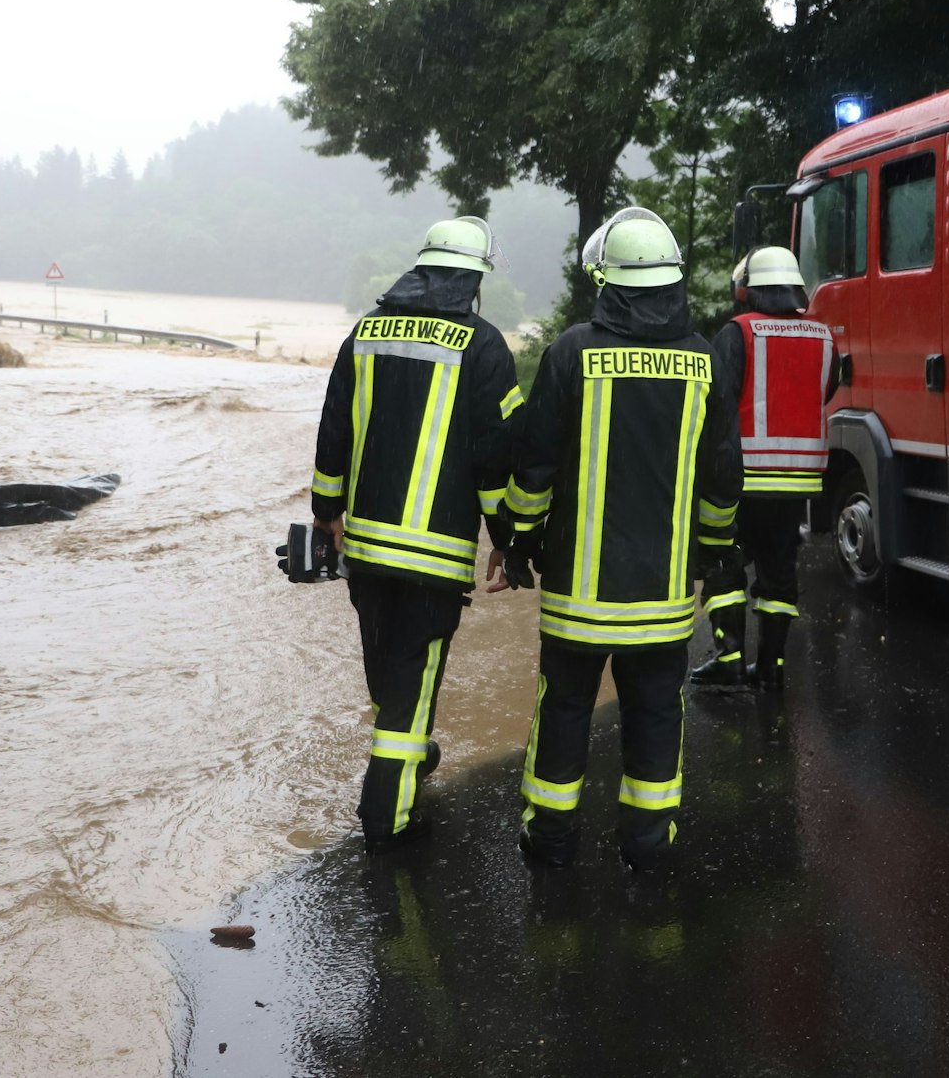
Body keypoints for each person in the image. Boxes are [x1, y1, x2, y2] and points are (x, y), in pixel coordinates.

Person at [498, 206, 742, 873]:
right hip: (663, 599)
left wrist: (518, 543)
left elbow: (534, 468)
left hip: (578, 596)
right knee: (658, 715)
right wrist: (709, 555)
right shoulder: (703, 362)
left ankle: (549, 842)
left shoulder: (573, 351)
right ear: (671, 282)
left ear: (610, 281)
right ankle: (647, 845)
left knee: (566, 712)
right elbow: (724, 481)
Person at [310, 216, 525, 853]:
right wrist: (507, 539)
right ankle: (388, 820)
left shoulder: (365, 332)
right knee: (411, 685)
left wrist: (327, 509)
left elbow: (334, 428)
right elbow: (497, 456)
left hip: (367, 552)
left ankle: (406, 758)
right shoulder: (483, 346)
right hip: (434, 557)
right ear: (475, 281)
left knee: (389, 673)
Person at [688, 246, 836, 691]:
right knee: (779, 571)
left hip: (742, 476)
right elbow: (823, 392)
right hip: (797, 482)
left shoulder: (738, 333)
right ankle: (771, 667)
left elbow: (716, 405)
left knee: (724, 564)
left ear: (751, 288)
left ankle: (729, 658)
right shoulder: (824, 337)